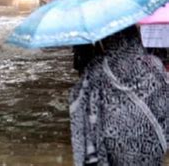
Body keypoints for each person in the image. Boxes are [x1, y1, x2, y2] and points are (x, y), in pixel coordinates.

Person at [69, 25, 168, 166]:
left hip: (113, 152)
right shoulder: (154, 65)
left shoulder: (95, 71)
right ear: (135, 36)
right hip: (152, 151)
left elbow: (85, 119)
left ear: (106, 40)